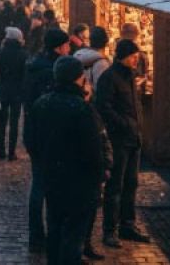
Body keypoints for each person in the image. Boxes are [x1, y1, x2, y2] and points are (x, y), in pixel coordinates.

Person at [26, 56, 111, 265]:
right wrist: (100, 175)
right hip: (79, 182)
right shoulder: (82, 109)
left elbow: (30, 140)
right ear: (78, 79)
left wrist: (44, 161)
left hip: (52, 178)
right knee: (73, 235)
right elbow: (93, 149)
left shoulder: (42, 103)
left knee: (54, 228)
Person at [96, 39, 152, 247]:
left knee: (131, 184)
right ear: (123, 56)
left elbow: (133, 106)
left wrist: (137, 128)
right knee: (115, 186)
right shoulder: (109, 78)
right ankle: (110, 230)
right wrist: (123, 125)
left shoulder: (130, 76)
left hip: (133, 139)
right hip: (119, 140)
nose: (137, 59)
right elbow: (103, 106)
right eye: (133, 56)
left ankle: (128, 225)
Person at [22, 28, 72, 253]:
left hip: (33, 133)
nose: (69, 49)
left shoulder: (35, 66)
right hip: (48, 136)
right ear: (58, 47)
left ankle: (36, 235)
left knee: (38, 184)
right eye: (67, 45)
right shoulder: (52, 72)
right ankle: (48, 235)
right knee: (48, 186)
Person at [0, 26, 29, 160]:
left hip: (2, 90)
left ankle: (1, 151)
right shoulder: (24, 54)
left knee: (2, 121)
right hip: (17, 91)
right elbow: (25, 75)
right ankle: (11, 152)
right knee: (14, 122)